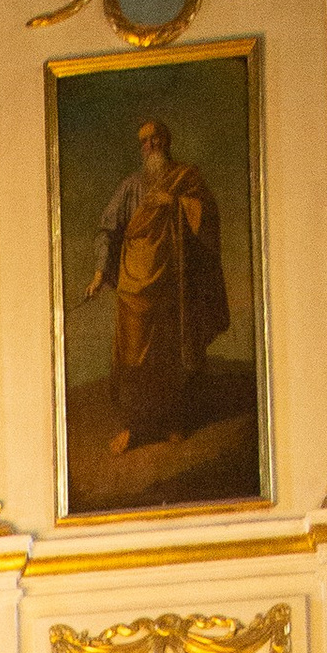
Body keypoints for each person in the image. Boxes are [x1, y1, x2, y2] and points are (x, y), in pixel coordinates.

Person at [81, 114, 231, 456]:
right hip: (134, 289)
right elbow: (107, 229)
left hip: (172, 286)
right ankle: (134, 428)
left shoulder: (184, 179)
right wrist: (100, 273)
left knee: (168, 356)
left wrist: (178, 204)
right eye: (145, 141)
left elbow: (208, 216)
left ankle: (170, 421)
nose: (151, 145)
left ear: (166, 141)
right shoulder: (131, 186)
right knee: (132, 359)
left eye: (156, 138)